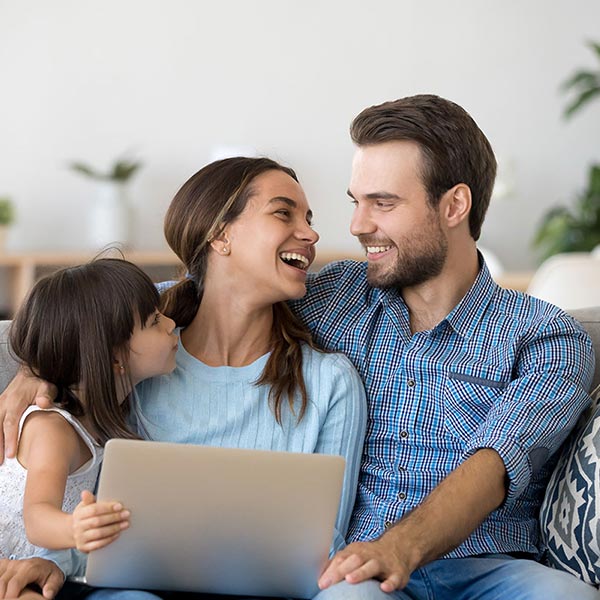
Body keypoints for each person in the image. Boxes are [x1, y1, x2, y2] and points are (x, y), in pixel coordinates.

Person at [2, 94, 596, 599]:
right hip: (350, 574)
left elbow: (498, 463)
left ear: (454, 206)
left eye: (382, 204)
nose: (356, 226)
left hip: (477, 567)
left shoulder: (547, 336)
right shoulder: (335, 294)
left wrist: (399, 549)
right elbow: (191, 295)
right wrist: (43, 364)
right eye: (355, 201)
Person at [0, 157, 367, 600]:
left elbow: (322, 544)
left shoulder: (330, 383)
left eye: (308, 219)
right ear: (220, 234)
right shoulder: (143, 358)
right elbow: (82, 331)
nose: (311, 234)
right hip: (131, 588)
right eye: (283, 212)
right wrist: (35, 370)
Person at [0, 258, 178, 599]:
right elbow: (37, 519)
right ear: (114, 358)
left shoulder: (109, 419)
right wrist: (74, 528)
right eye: (155, 321)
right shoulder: (53, 428)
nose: (172, 324)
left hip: (45, 572)